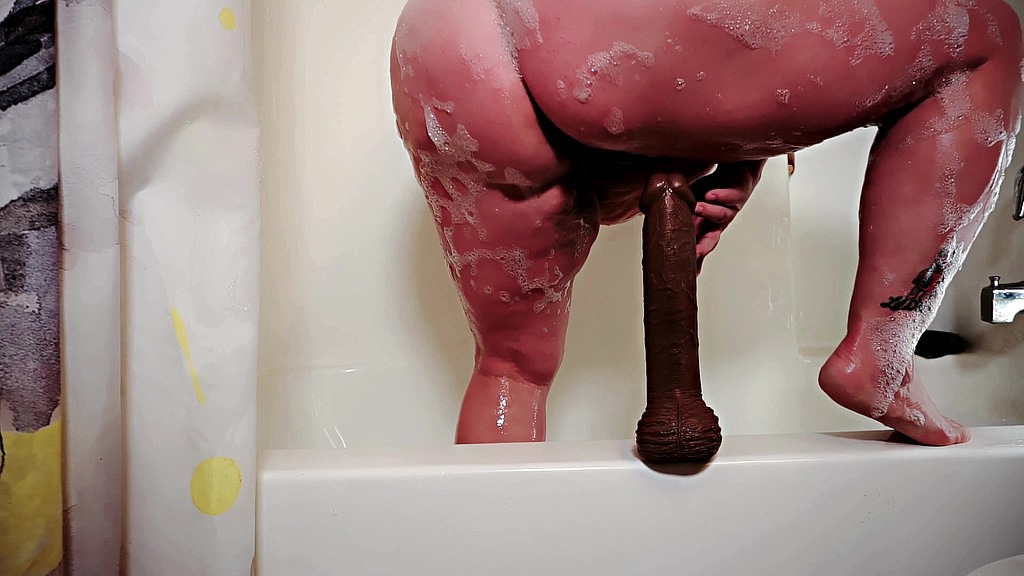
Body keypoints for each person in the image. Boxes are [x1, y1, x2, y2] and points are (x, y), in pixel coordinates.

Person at [390, 0, 1023, 446]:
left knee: (509, 371)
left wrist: (741, 155)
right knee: (986, 35)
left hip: (447, 36)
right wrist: (747, 146)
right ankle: (882, 358)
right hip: (630, 38)